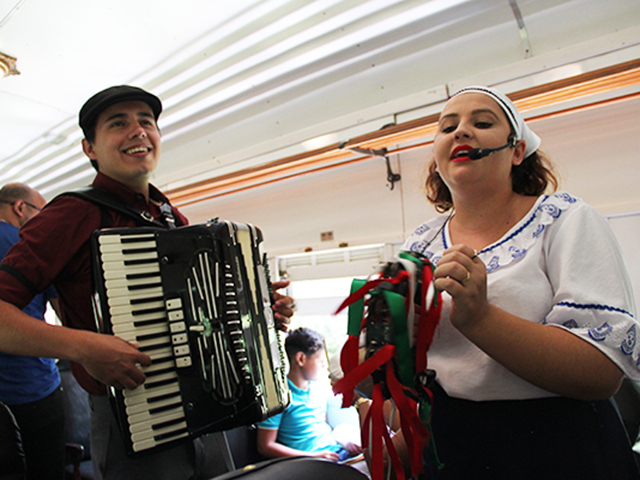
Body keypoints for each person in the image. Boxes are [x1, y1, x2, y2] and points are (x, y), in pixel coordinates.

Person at [0, 85, 295, 480]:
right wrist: (83, 347)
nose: (138, 130)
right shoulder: (70, 213)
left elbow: (201, 319)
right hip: (131, 419)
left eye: (146, 121)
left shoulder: (173, 219)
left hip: (208, 412)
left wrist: (254, 313)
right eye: (118, 123)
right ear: (90, 148)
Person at [387, 85, 640, 479]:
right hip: (451, 450)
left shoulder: (565, 220)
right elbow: (425, 377)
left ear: (517, 151)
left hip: (556, 451)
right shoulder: (420, 243)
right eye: (447, 127)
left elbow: (602, 373)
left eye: (482, 123)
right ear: (437, 159)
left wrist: (481, 319)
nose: (461, 132)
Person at [0, 183, 64, 480]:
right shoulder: (31, 245)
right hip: (31, 388)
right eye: (42, 212)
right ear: (20, 208)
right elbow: (66, 312)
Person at [257, 327, 363, 462]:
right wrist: (313, 456)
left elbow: (322, 427)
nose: (325, 367)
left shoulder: (319, 389)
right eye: (320, 362)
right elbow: (265, 446)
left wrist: (346, 444)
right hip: (313, 461)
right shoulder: (279, 398)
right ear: (301, 359)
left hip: (335, 452)